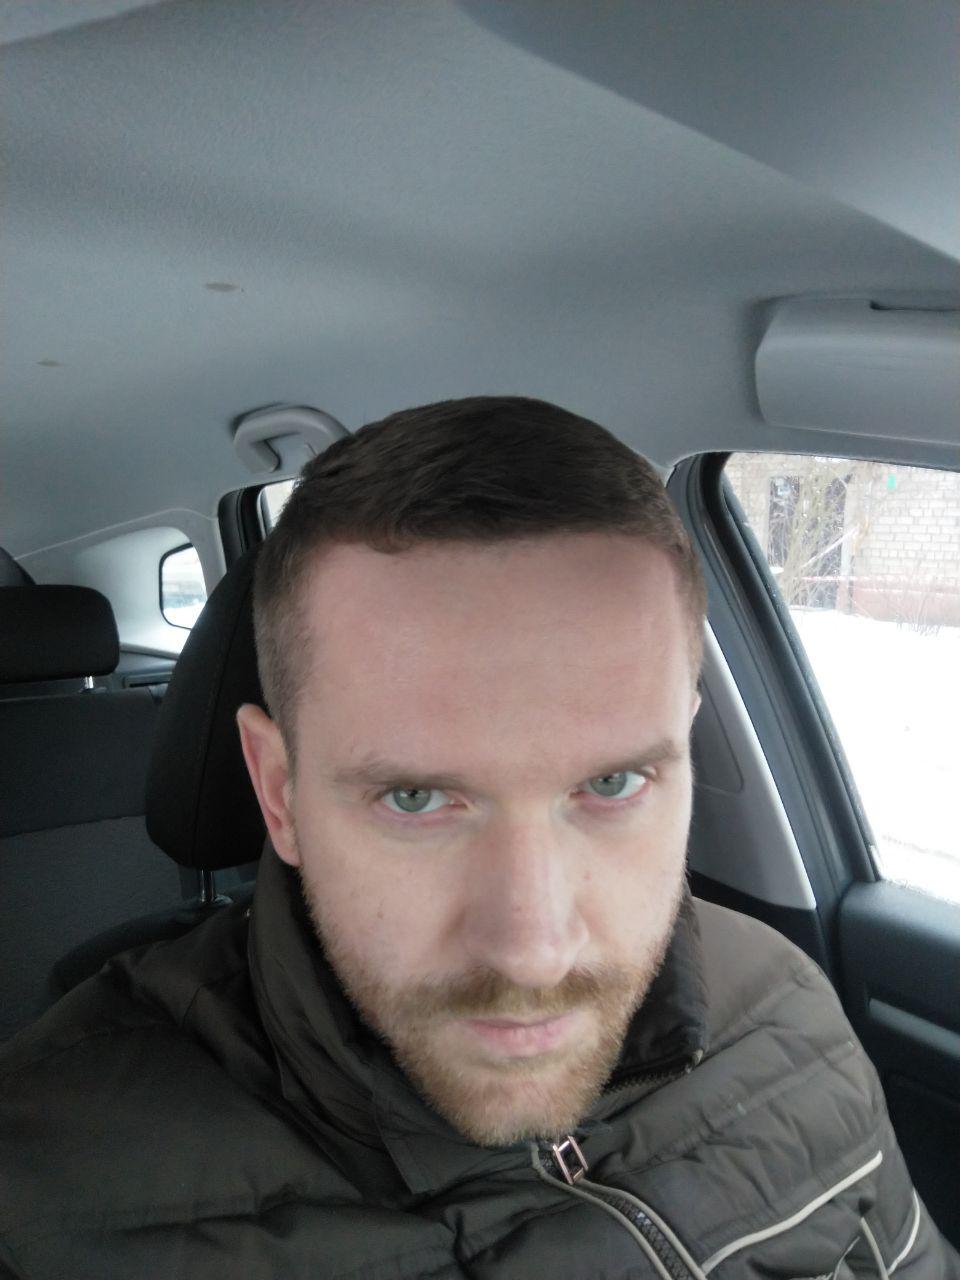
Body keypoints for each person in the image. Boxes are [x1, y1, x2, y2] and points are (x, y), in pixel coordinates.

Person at [0, 397, 956, 1279]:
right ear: (279, 795)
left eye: (612, 784)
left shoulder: (788, 1009)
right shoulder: (42, 1199)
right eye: (415, 799)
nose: (533, 951)